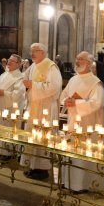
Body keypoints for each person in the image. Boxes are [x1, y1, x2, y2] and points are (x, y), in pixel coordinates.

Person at [60, 51, 104, 191]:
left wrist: (77, 103)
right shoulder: (73, 79)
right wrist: (66, 101)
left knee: (84, 152)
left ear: (89, 63)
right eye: (77, 58)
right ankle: (69, 181)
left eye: (81, 59)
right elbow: (64, 95)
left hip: (88, 123)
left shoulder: (95, 82)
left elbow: (97, 103)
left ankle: (83, 184)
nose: (77, 61)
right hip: (73, 120)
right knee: (72, 150)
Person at [20, 43, 62, 180]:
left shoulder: (51, 67)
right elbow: (23, 78)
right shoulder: (33, 66)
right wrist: (26, 84)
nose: (32, 54)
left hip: (46, 107)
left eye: (36, 51)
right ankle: (32, 166)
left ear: (43, 52)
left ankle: (43, 169)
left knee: (43, 136)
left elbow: (54, 87)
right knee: (33, 136)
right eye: (31, 51)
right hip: (34, 106)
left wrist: (33, 85)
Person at [0, 54, 25, 159]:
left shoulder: (20, 77)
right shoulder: (4, 74)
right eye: (9, 60)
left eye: (12, 61)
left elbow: (18, 94)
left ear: (18, 64)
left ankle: (7, 153)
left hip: (11, 108)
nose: (9, 62)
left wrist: (4, 93)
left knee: (8, 128)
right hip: (1, 105)